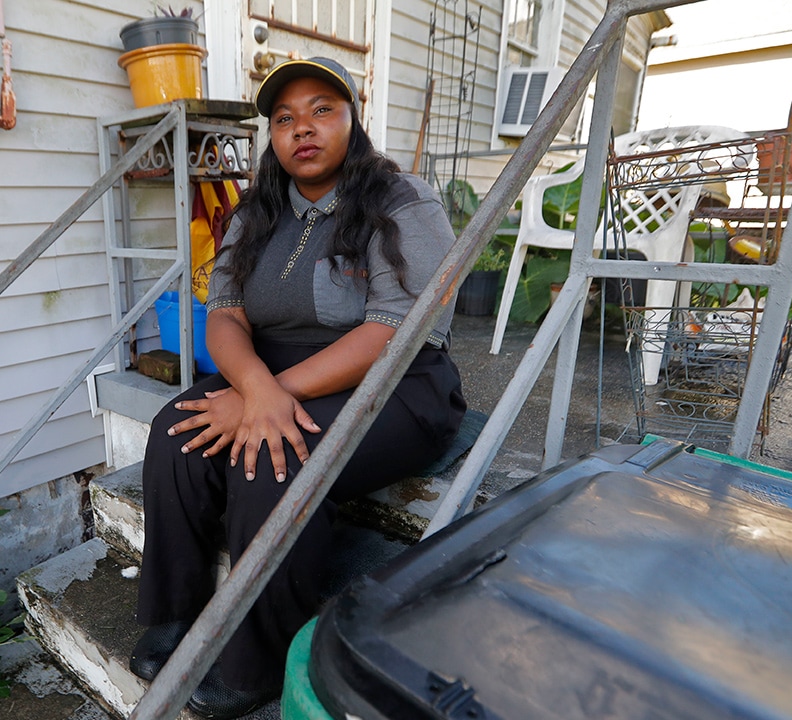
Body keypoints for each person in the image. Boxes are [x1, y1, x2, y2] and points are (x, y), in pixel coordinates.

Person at [130, 57, 467, 718]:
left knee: (275, 456)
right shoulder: (256, 212)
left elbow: (393, 332)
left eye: (321, 109)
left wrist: (268, 395)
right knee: (176, 429)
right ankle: (177, 610)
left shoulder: (402, 200)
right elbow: (224, 314)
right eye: (284, 118)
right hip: (276, 369)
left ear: (352, 118)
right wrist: (255, 385)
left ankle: (258, 660)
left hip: (394, 379)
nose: (301, 129)